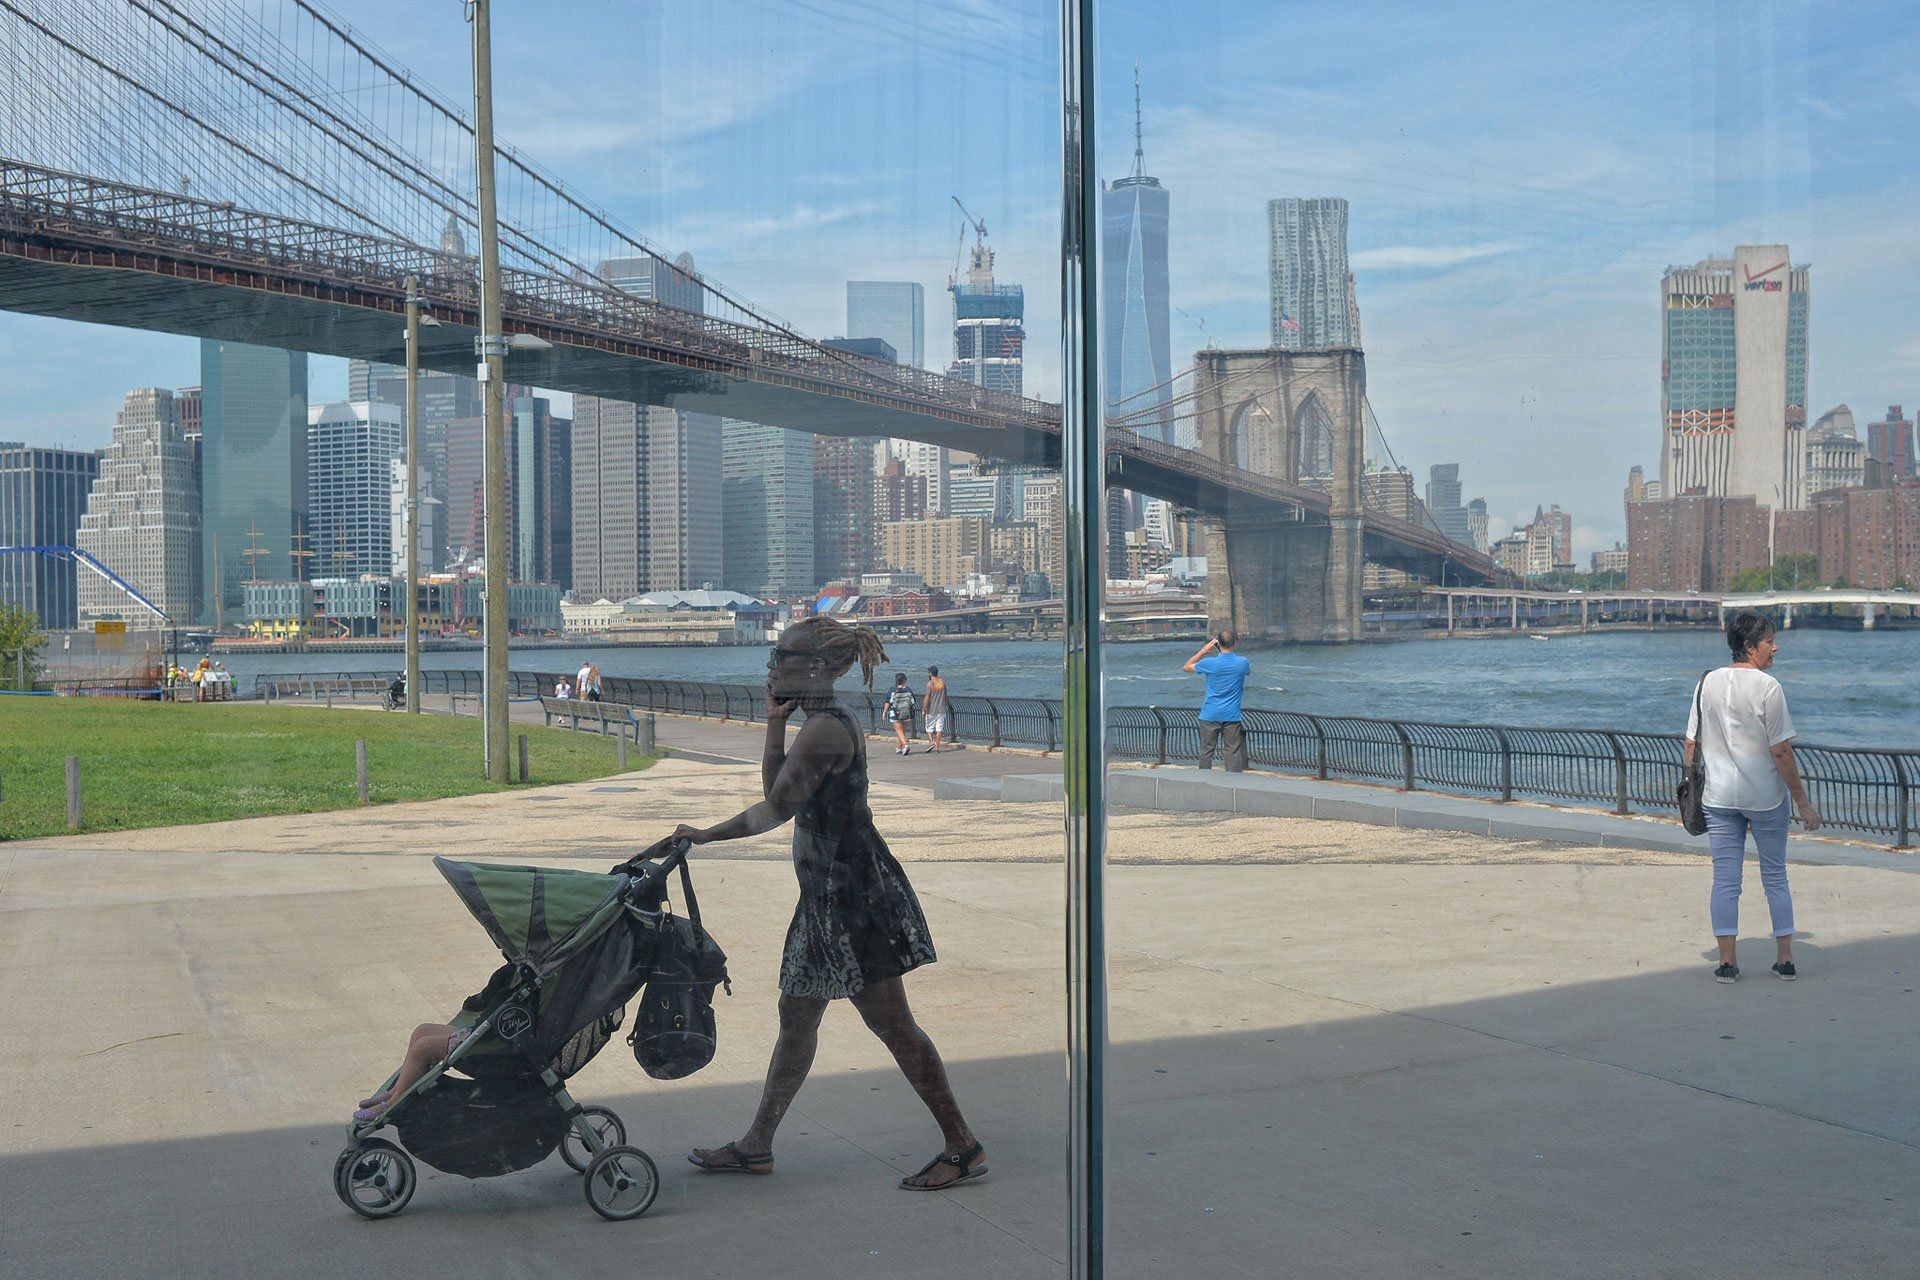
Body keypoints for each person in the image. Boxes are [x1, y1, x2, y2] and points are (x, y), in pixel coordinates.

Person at [681, 617, 984, 1191]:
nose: (772, 665)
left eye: (783, 655)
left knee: (894, 1027)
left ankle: (961, 1144)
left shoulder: (826, 730)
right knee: (796, 1020)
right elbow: (778, 790)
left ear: (818, 666)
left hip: (854, 903)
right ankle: (757, 1146)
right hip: (823, 900)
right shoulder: (812, 724)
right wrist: (773, 723)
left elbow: (773, 811)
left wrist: (704, 835)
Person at [1684, 610, 1820, 984]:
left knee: (1725, 881)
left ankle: (1727, 962)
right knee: (1775, 877)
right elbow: (1781, 752)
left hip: (1719, 798)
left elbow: (1691, 744)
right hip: (1765, 799)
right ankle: (1785, 959)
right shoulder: (1768, 687)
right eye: (1769, 642)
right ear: (1749, 647)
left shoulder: (1706, 683)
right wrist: (1803, 801)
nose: (1775, 647)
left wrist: (1699, 781)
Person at [1183, 631, 1250, 771]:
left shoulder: (1209, 663)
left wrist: (1204, 650)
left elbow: (1187, 666)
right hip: (1231, 715)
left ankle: (1204, 780)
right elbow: (1247, 672)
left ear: (1218, 643)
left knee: (1206, 751)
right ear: (1235, 643)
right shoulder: (1243, 663)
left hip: (1210, 714)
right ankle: (1233, 781)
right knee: (1232, 751)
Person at [885, 672, 916, 755]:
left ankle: (905, 745)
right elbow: (913, 702)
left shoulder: (892, 690)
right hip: (906, 712)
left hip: (895, 713)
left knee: (899, 731)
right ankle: (899, 748)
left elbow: (888, 702)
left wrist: (884, 712)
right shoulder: (909, 690)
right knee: (902, 731)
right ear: (904, 680)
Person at [923, 666, 953, 752]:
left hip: (931, 709)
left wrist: (924, 709)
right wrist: (946, 705)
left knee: (929, 727)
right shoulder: (942, 682)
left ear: (930, 673)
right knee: (939, 729)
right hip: (941, 709)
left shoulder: (930, 683)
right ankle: (937, 748)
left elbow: (927, 697)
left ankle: (931, 742)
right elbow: (946, 696)